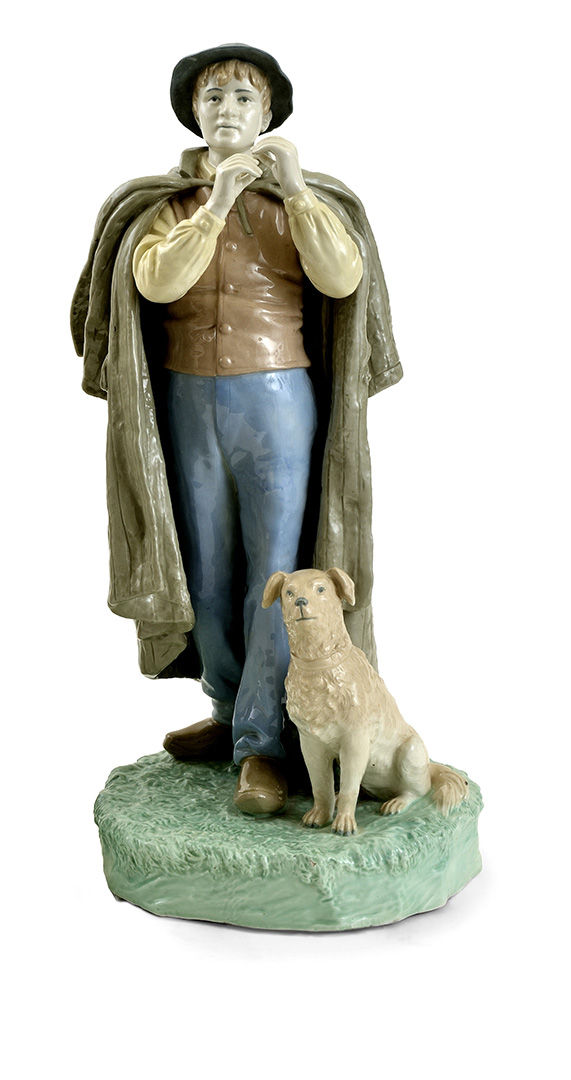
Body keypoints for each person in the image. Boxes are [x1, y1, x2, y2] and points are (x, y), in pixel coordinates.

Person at [71, 43, 403, 816]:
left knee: (276, 576)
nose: (227, 109)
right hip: (188, 398)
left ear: (268, 114)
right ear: (194, 113)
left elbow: (341, 276)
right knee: (207, 570)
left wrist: (297, 192)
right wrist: (216, 202)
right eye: (213, 96)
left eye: (243, 98)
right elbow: (157, 282)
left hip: (276, 398)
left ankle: (261, 744)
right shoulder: (164, 205)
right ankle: (228, 710)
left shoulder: (303, 199)